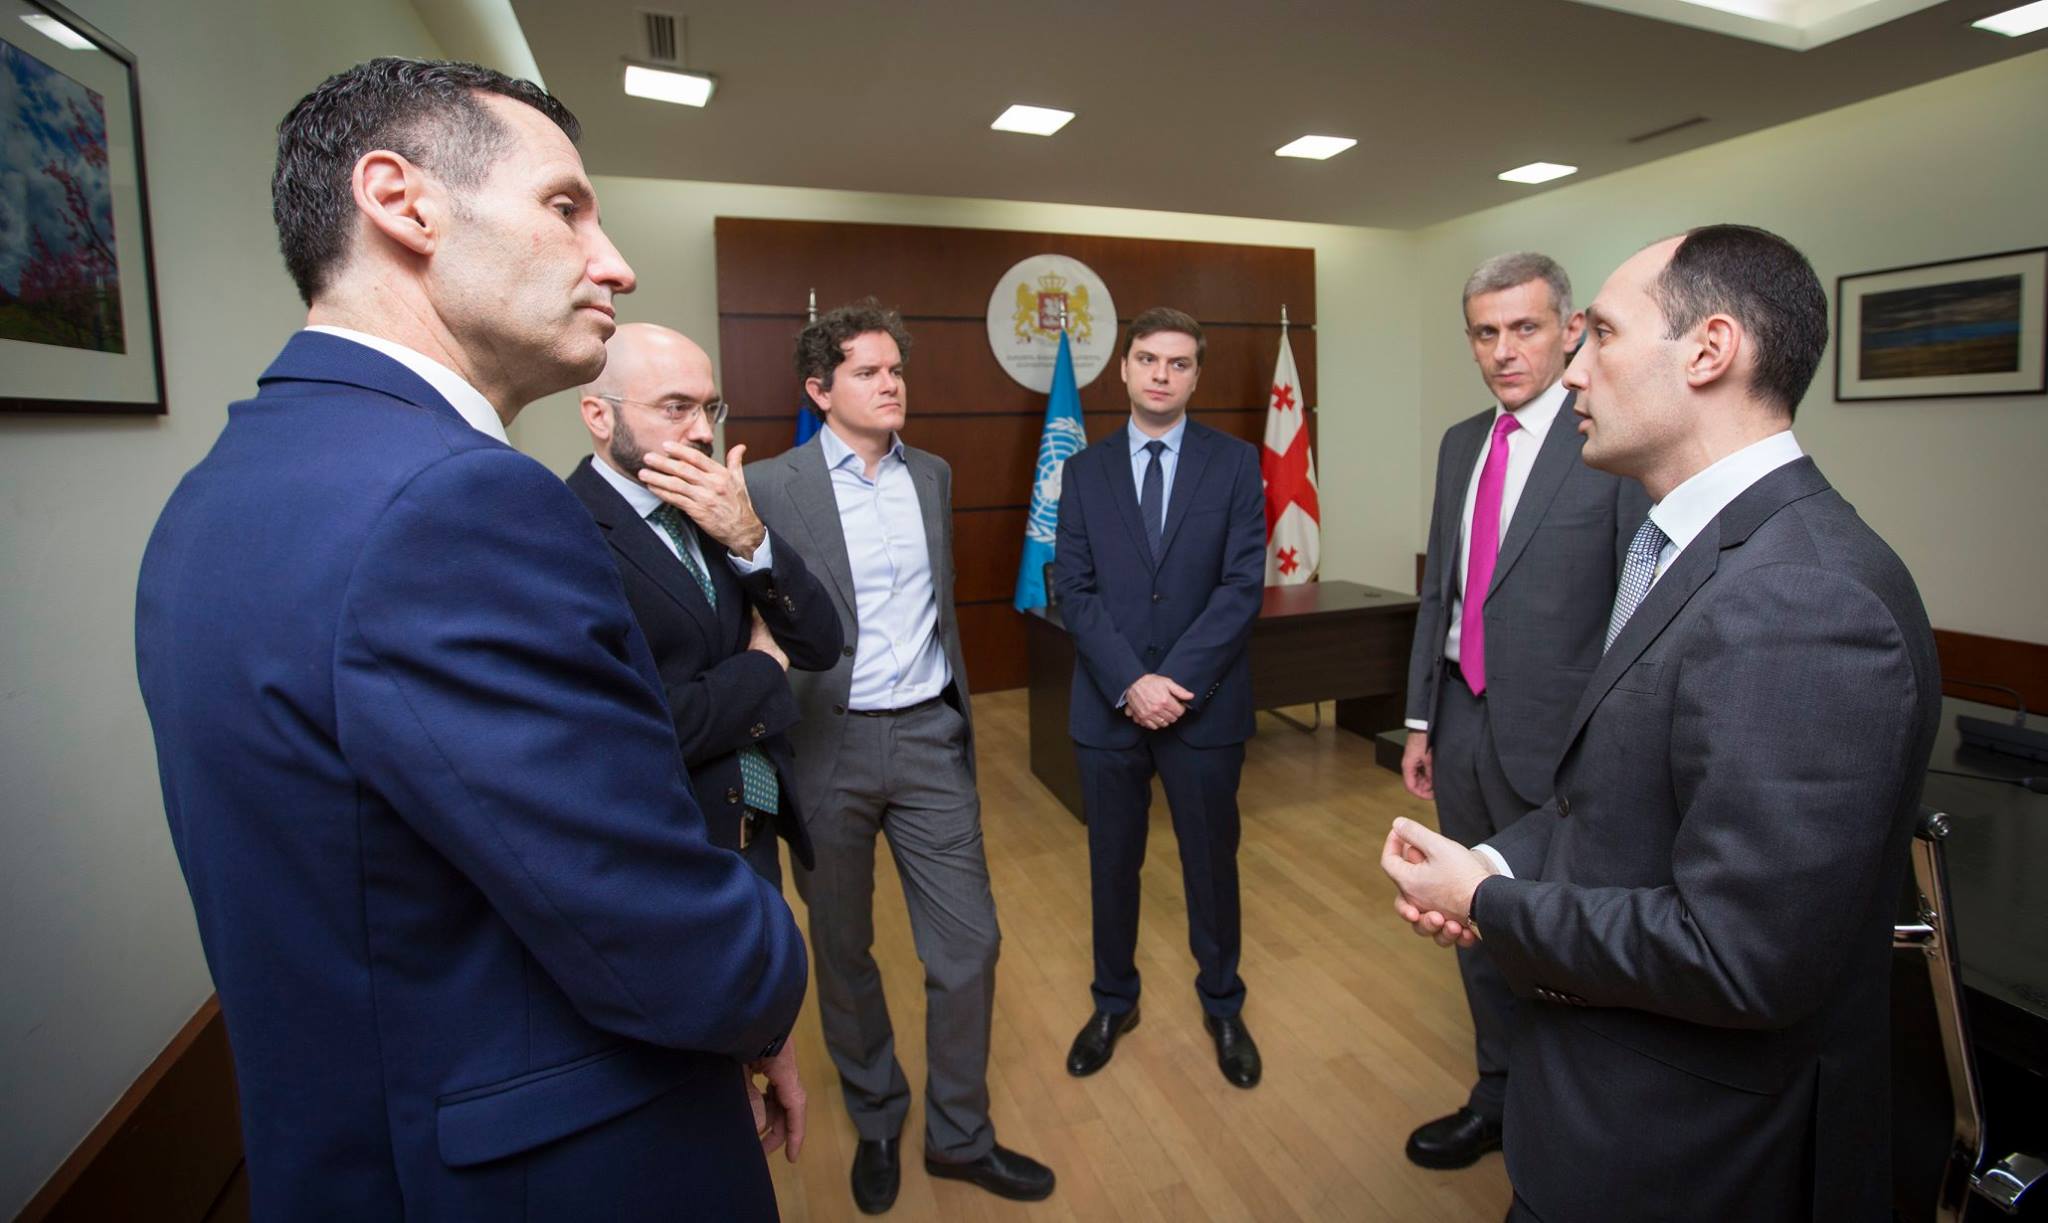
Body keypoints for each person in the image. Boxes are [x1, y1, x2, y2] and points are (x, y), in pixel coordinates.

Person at [134, 60, 808, 1220]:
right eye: (565, 206)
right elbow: (655, 927)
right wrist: (766, 962)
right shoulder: (454, 500)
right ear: (401, 201)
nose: (615, 262)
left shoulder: (227, 481)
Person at [1383, 225, 1941, 1223]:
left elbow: (1738, 954)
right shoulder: (1695, 545)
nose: (1571, 368)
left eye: (1599, 334)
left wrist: (1489, 902)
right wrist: (1496, 861)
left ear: (1708, 350)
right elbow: (1617, 800)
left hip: (1695, 1157)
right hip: (1613, 1115)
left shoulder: (1805, 596)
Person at [743, 300, 1055, 1213]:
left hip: (927, 738)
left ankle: (959, 1134)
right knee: (842, 946)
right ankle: (877, 1112)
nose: (891, 385)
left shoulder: (934, 476)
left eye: (896, 370)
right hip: (824, 742)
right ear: (819, 389)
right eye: (868, 372)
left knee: (970, 943)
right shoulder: (768, 485)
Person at [1398, 253, 1647, 1169]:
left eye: (1525, 328)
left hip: (1562, 748)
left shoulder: (1607, 442)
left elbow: (1633, 614)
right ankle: (1497, 1095)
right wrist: (1421, 720)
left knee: (1558, 944)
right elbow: (1443, 591)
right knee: (1471, 924)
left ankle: (1564, 1136)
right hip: (1461, 723)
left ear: (1571, 328)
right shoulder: (1462, 442)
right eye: (1486, 332)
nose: (1504, 350)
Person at [1051, 307, 1268, 1090]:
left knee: (1211, 864)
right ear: (1124, 368)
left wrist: (1172, 683)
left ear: (1196, 375)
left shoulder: (1235, 464)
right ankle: (1114, 1001)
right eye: (1148, 358)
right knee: (1112, 863)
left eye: (1179, 363)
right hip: (1109, 705)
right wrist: (1130, 682)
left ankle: (1223, 1003)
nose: (1161, 374)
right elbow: (1073, 589)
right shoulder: (1084, 471)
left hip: (1202, 707)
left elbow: (1242, 587)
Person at [568, 323, 842, 886]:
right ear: (599, 416)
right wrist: (762, 667)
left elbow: (819, 644)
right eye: (676, 408)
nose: (701, 431)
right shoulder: (565, 533)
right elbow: (633, 729)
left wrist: (749, 537)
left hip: (756, 834)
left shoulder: (718, 508)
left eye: (710, 408)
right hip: (664, 859)